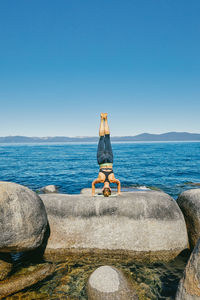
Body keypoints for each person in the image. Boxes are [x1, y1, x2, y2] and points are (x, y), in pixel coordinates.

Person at [92, 113, 121, 197]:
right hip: (101, 162)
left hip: (110, 161)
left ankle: (106, 119)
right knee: (101, 138)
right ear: (102, 189)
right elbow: (93, 184)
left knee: (107, 137)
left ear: (110, 189)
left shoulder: (113, 180)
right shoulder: (100, 180)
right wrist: (93, 194)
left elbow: (119, 183)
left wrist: (119, 192)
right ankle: (102, 119)